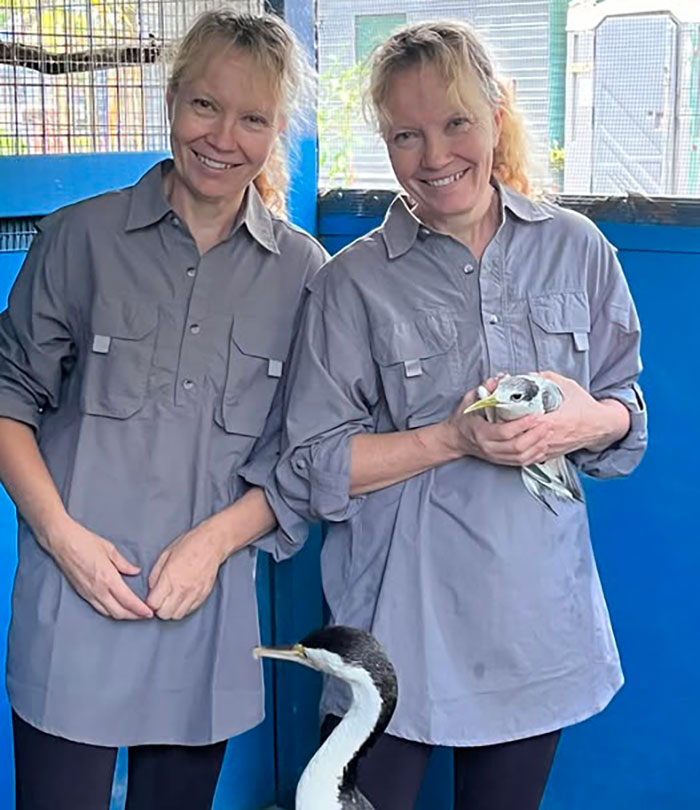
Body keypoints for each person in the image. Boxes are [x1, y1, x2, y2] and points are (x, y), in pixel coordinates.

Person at [268, 20, 647, 810]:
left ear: (497, 115)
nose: (434, 157)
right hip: (397, 627)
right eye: (406, 135)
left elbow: (625, 415)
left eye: (455, 124)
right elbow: (313, 468)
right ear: (383, 140)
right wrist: (451, 436)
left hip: (534, 621)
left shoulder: (578, 249)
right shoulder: (351, 284)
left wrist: (588, 421)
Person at [0, 10, 326, 810]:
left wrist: (214, 545)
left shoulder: (305, 275)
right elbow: (8, 401)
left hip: (203, 615)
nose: (223, 137)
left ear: (277, 131)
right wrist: (63, 539)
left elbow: (307, 461)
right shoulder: (80, 238)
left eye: (253, 118)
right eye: (205, 106)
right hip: (73, 606)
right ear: (172, 101)